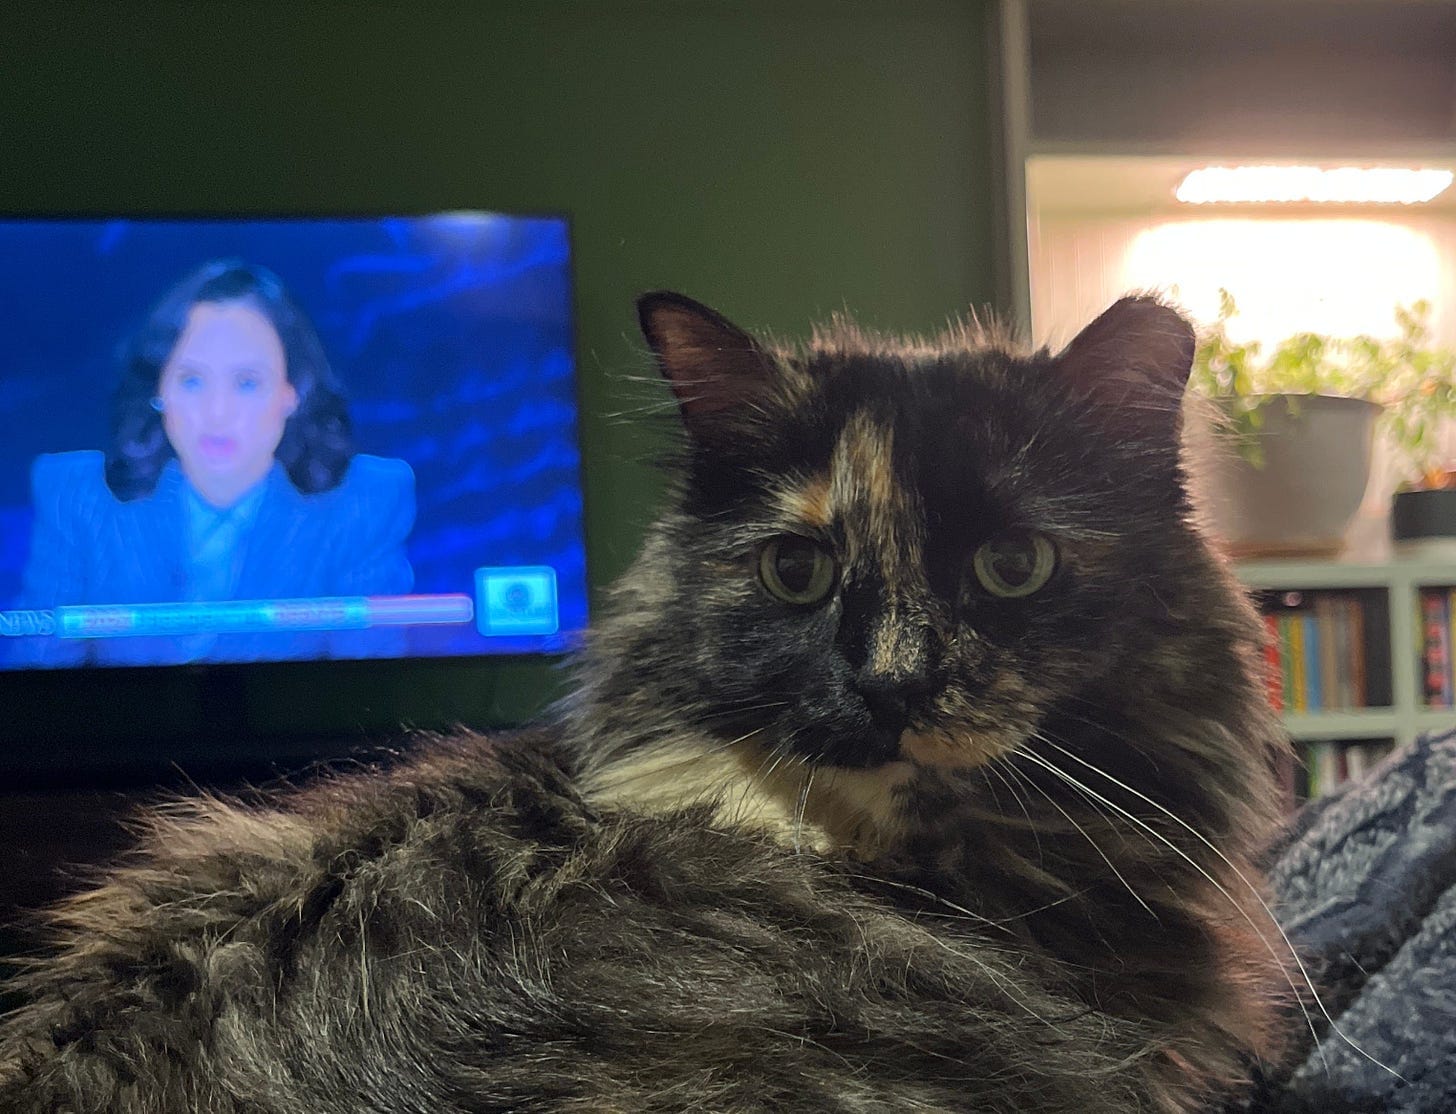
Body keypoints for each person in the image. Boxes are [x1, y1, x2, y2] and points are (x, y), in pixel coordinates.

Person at [15, 259, 415, 666]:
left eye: (247, 382)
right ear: (159, 390)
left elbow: (372, 696)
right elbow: (38, 687)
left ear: (291, 392)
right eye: (191, 379)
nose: (217, 413)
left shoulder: (364, 502)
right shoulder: (76, 496)